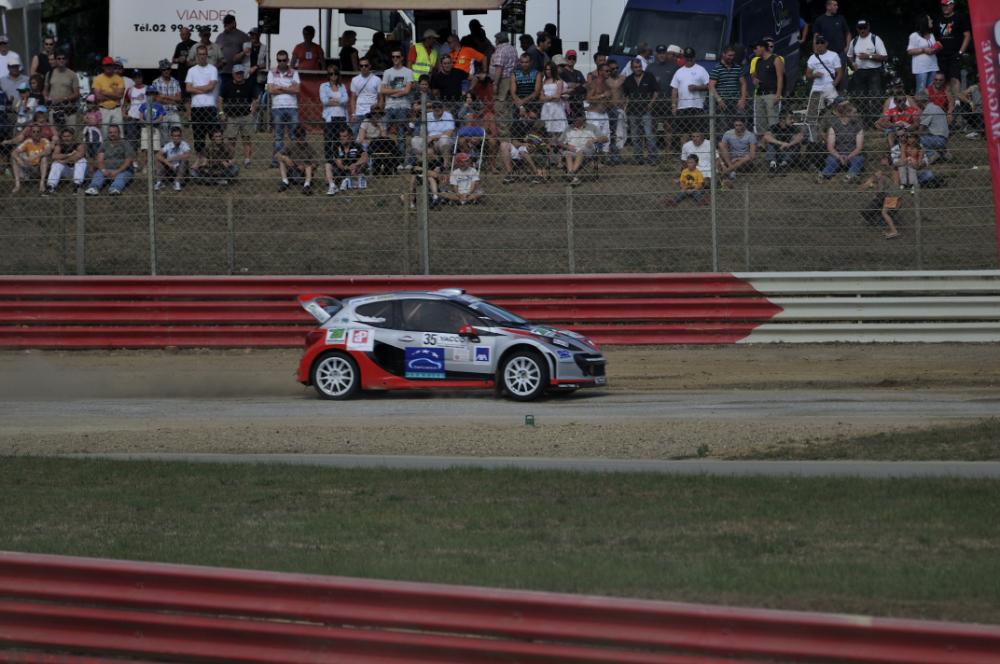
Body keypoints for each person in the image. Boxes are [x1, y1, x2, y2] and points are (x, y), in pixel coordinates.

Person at [847, 20, 887, 124]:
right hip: (859, 72)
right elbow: (849, 55)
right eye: (860, 28)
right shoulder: (855, 41)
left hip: (873, 71)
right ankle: (865, 121)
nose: (863, 30)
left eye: (864, 28)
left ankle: (875, 121)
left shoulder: (875, 39)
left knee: (875, 96)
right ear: (857, 29)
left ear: (868, 27)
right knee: (862, 98)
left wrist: (868, 56)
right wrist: (853, 65)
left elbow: (884, 57)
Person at [804, 35, 842, 142]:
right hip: (816, 88)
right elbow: (807, 76)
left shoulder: (833, 55)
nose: (819, 44)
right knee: (813, 115)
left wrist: (833, 86)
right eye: (817, 42)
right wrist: (814, 74)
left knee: (840, 109)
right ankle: (814, 138)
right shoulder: (812, 58)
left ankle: (842, 132)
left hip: (829, 86)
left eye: (822, 42)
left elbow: (840, 73)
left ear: (826, 43)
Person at [218, 64, 257, 167]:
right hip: (232, 116)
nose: (239, 76)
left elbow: (254, 99)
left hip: (245, 115)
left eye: (240, 73)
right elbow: (220, 99)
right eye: (237, 73)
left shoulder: (248, 85)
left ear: (243, 74)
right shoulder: (228, 85)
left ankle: (247, 161)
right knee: (231, 139)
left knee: (246, 139)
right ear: (233, 74)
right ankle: (231, 160)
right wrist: (222, 113)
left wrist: (252, 112)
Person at [267, 49, 300, 167]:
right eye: (279, 60)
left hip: (292, 107)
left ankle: (296, 159)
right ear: (277, 60)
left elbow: (297, 90)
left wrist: (279, 88)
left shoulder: (294, 72)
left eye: (284, 60)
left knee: (294, 136)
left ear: (287, 60)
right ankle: (277, 161)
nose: (282, 62)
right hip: (277, 107)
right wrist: (288, 88)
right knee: (278, 136)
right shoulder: (271, 73)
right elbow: (270, 90)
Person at [555, 113, 608, 185]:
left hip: (587, 150)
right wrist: (568, 147)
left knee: (581, 151)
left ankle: (571, 174)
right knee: (567, 154)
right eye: (573, 120)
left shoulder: (591, 127)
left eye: (576, 119)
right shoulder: (568, 128)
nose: (574, 121)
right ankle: (574, 177)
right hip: (573, 150)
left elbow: (605, 139)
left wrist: (594, 140)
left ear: (582, 119)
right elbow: (559, 142)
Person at [381, 48, 413, 168]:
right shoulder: (387, 72)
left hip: (403, 106)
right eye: (393, 56)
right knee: (384, 132)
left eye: (397, 56)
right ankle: (383, 158)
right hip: (389, 106)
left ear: (402, 58)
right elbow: (383, 90)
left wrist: (391, 92)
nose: (395, 59)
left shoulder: (408, 72)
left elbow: (407, 91)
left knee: (401, 135)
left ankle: (399, 161)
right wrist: (399, 90)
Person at [670, 47, 709, 144]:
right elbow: (674, 89)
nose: (689, 59)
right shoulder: (679, 71)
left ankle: (697, 154)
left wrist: (697, 88)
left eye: (691, 57)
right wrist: (674, 106)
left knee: (697, 133)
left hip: (697, 106)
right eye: (687, 57)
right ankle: (684, 156)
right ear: (683, 57)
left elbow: (709, 86)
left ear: (695, 57)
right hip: (682, 107)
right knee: (684, 133)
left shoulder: (701, 70)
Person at [624, 58, 659, 165]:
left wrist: (650, 104)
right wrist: (626, 106)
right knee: (635, 136)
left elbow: (656, 91)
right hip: (632, 111)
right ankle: (638, 158)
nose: (638, 69)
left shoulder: (649, 76)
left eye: (640, 67)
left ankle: (654, 158)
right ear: (631, 68)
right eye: (636, 67)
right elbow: (627, 95)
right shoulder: (628, 80)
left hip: (646, 110)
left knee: (649, 135)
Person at [186, 45, 220, 155]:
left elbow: (211, 87)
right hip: (196, 107)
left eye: (204, 54)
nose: (202, 57)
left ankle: (217, 159)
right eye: (200, 54)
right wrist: (204, 89)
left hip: (210, 106)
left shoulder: (212, 69)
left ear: (207, 55)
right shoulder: (191, 71)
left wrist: (195, 87)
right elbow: (188, 88)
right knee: (198, 138)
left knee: (215, 136)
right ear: (196, 55)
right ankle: (200, 161)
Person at [819, 102, 865, 182]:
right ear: (847, 113)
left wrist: (849, 157)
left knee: (859, 159)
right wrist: (838, 157)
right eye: (854, 113)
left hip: (852, 154)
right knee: (831, 160)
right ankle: (824, 175)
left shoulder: (858, 125)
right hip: (838, 153)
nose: (856, 115)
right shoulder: (834, 126)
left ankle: (850, 176)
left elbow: (859, 147)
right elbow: (830, 147)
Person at [84, 124, 133, 196]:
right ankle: (94, 188)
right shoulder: (104, 144)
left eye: (115, 132)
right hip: (106, 169)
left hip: (122, 170)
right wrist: (104, 170)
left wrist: (117, 171)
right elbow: (100, 160)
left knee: (121, 177)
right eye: (110, 132)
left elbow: (128, 162)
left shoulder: (125, 144)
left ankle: (115, 189)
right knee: (98, 174)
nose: (112, 134)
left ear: (119, 133)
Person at [813, 0, 851, 92]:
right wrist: (816, 53)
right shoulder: (820, 20)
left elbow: (848, 34)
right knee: (826, 76)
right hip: (825, 53)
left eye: (837, 5)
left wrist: (846, 48)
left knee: (841, 77)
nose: (837, 7)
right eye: (835, 5)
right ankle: (826, 101)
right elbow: (815, 37)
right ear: (828, 7)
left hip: (840, 53)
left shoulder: (840, 18)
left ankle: (840, 101)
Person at [936, 0, 971, 97]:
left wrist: (960, 52)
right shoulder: (938, 20)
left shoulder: (959, 18)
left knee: (954, 78)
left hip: (955, 54)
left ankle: (957, 103)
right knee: (944, 80)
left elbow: (967, 35)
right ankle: (948, 104)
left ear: (952, 5)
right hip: (941, 56)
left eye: (947, 5)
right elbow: (934, 38)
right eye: (943, 5)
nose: (945, 7)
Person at [709, 45, 746, 132]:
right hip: (723, 101)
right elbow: (711, 85)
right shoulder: (717, 68)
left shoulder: (737, 68)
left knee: (741, 124)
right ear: (723, 54)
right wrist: (719, 100)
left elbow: (743, 83)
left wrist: (743, 98)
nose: (731, 57)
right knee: (723, 127)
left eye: (733, 55)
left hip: (735, 100)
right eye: (729, 55)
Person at [750, 39, 783, 136]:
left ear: (762, 48)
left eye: (756, 48)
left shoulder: (776, 59)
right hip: (760, 94)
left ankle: (774, 143)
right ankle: (763, 145)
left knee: (773, 121)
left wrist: (777, 94)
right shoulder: (758, 61)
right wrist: (754, 79)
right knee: (760, 123)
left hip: (771, 93)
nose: (754, 51)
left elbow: (780, 78)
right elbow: (754, 75)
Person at [857, 169, 901, 239]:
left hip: (892, 195)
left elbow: (880, 191)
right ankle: (890, 230)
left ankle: (894, 231)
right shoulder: (885, 179)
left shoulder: (882, 178)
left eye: (878, 174)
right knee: (885, 212)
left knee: (884, 212)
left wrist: (874, 187)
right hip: (897, 194)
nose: (877, 175)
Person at [319, 64, 348, 165]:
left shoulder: (342, 86)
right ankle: (328, 160)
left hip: (341, 116)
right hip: (329, 117)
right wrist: (339, 100)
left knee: (339, 139)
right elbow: (324, 101)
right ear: (328, 75)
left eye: (335, 73)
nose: (333, 75)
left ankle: (338, 159)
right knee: (328, 139)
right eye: (331, 73)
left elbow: (346, 100)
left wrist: (332, 100)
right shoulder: (323, 86)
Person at [324, 127, 367, 195]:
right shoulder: (337, 146)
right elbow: (339, 164)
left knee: (364, 163)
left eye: (344, 136)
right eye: (340, 136)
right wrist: (348, 167)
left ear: (350, 137)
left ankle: (348, 179)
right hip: (341, 171)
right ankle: (332, 186)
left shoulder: (356, 145)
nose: (341, 138)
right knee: (327, 165)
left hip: (354, 171)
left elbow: (365, 156)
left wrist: (355, 165)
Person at [276, 125, 318, 193]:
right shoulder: (291, 145)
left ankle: (306, 186)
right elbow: (277, 155)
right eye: (299, 137)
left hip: (304, 172)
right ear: (295, 137)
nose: (301, 138)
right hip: (293, 170)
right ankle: (285, 182)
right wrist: (286, 158)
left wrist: (305, 166)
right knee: (282, 162)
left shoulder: (309, 148)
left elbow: (315, 164)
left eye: (302, 136)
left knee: (309, 168)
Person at [411, 99, 454, 164]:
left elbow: (448, 134)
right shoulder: (427, 116)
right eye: (434, 107)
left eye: (439, 107)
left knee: (444, 139)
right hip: (429, 140)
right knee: (414, 140)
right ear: (431, 108)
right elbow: (421, 133)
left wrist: (433, 138)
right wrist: (428, 143)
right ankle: (422, 163)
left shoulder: (448, 116)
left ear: (443, 107)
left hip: (442, 140)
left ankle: (445, 165)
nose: (437, 109)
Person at [44, 127, 85, 195]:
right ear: (62, 138)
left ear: (73, 136)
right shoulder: (60, 145)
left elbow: (78, 156)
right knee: (56, 163)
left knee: (81, 160)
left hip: (81, 172)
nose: (66, 138)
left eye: (69, 136)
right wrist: (69, 154)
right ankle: (50, 186)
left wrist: (64, 160)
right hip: (67, 172)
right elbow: (54, 156)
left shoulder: (79, 145)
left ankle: (77, 186)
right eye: (64, 136)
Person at [42, 51, 79, 128]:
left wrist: (64, 98)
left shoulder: (72, 75)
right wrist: (46, 97)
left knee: (70, 135)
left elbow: (77, 94)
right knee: (55, 136)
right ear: (55, 60)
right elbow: (45, 90)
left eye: (63, 58)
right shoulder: (49, 74)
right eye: (59, 58)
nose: (61, 60)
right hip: (54, 109)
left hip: (68, 110)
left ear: (66, 60)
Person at [10, 123, 50, 193]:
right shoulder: (27, 142)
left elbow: (48, 151)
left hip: (39, 169)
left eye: (38, 132)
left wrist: (34, 156)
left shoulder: (44, 141)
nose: (36, 133)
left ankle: (42, 183)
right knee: (15, 158)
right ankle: (17, 184)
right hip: (29, 168)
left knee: (44, 158)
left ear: (41, 133)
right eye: (34, 132)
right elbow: (14, 152)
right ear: (30, 133)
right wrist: (19, 160)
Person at [509, 53, 541, 138]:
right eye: (522, 62)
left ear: (531, 62)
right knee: (517, 126)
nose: (524, 64)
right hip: (518, 102)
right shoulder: (515, 75)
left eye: (526, 62)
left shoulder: (537, 74)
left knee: (535, 125)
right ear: (519, 62)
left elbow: (536, 92)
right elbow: (513, 93)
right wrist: (521, 106)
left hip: (533, 102)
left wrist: (523, 101)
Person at [763, 110, 804, 175]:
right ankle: (773, 165)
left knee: (795, 139)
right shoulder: (775, 127)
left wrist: (788, 145)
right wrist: (781, 143)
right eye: (790, 119)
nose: (793, 121)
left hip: (788, 153)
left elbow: (801, 137)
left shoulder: (793, 127)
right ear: (783, 120)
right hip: (777, 152)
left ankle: (783, 165)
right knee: (770, 138)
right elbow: (766, 136)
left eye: (793, 119)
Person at [717, 117, 756, 185]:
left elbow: (752, 155)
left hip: (743, 160)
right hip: (730, 159)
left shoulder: (750, 135)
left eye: (740, 125)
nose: (738, 127)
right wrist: (723, 163)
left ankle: (727, 171)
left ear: (744, 124)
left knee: (748, 158)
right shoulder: (728, 133)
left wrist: (737, 159)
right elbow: (720, 150)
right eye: (736, 125)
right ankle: (732, 169)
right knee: (720, 144)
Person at [914, 90, 950, 164]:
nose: (917, 105)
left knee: (915, 141)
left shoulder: (927, 110)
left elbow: (921, 128)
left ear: (920, 102)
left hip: (937, 139)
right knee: (922, 138)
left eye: (917, 102)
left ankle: (932, 154)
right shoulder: (936, 107)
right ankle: (944, 153)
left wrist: (915, 138)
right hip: (943, 139)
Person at [91, 56, 124, 136]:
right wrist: (114, 95)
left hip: (116, 108)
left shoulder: (119, 79)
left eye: (110, 65)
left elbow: (120, 96)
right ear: (103, 67)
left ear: (113, 66)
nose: (109, 67)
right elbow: (98, 97)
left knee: (119, 132)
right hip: (103, 109)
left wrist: (105, 93)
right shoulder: (98, 79)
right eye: (106, 65)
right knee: (105, 133)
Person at [349, 57, 381, 137]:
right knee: (353, 135)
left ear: (369, 66)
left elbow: (381, 98)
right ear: (359, 67)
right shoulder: (355, 80)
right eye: (361, 66)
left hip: (372, 113)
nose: (363, 67)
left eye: (365, 65)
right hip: (359, 113)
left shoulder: (377, 80)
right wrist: (353, 114)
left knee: (372, 136)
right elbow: (353, 98)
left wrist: (378, 113)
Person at [135, 86, 165, 170]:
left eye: (153, 93)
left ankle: (155, 166)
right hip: (145, 128)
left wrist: (152, 124)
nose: (151, 95)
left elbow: (161, 118)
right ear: (146, 95)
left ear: (155, 95)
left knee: (156, 148)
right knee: (145, 148)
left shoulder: (158, 105)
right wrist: (148, 125)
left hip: (155, 129)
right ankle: (145, 166)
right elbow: (141, 118)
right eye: (149, 94)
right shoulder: (143, 105)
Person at [907, 14, 938, 95]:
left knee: (931, 89)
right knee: (921, 89)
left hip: (933, 65)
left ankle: (929, 107)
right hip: (921, 67)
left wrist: (935, 49)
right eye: (929, 20)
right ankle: (918, 107)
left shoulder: (931, 35)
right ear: (924, 22)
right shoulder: (914, 35)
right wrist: (923, 50)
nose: (932, 21)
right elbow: (910, 51)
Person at [154, 126, 190, 192]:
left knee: (185, 161)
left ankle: (177, 182)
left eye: (178, 136)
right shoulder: (169, 145)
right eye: (174, 136)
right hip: (170, 169)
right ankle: (158, 182)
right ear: (171, 136)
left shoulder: (184, 145)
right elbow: (158, 154)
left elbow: (187, 154)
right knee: (160, 160)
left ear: (181, 136)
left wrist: (173, 158)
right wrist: (166, 162)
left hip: (180, 169)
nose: (176, 138)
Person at [153, 60, 182, 142]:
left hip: (174, 112)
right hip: (162, 113)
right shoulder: (155, 82)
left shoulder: (175, 82)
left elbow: (179, 99)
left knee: (177, 134)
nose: (166, 71)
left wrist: (164, 96)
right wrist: (172, 100)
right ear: (161, 70)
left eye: (168, 69)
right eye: (164, 69)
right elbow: (157, 99)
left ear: (171, 69)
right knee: (163, 137)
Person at [490, 32, 517, 113]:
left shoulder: (500, 50)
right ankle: (508, 124)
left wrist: (495, 83)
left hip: (503, 81)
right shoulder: (513, 49)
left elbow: (499, 67)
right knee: (509, 104)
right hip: (512, 79)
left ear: (497, 40)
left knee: (500, 104)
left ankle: (502, 125)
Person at [539, 61, 567, 138]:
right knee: (547, 130)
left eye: (550, 69)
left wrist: (546, 98)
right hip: (546, 108)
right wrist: (551, 97)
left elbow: (557, 98)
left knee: (558, 130)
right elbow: (541, 98)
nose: (548, 71)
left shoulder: (559, 81)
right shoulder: (543, 82)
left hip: (556, 108)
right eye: (547, 69)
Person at [122, 69, 147, 151]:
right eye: (135, 77)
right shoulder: (130, 90)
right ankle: (134, 161)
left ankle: (145, 162)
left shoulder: (147, 89)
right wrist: (124, 114)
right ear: (132, 79)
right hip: (132, 117)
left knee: (145, 142)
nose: (137, 79)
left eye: (139, 77)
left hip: (144, 118)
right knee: (132, 142)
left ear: (142, 77)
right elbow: (126, 103)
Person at [172, 26, 196, 106]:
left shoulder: (195, 45)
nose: (184, 36)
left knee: (192, 95)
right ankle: (184, 112)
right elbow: (173, 59)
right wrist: (178, 60)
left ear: (190, 34)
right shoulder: (179, 46)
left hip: (193, 75)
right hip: (181, 75)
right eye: (182, 34)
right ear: (180, 35)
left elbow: (200, 59)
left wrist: (192, 63)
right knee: (183, 96)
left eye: (186, 34)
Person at [247, 27, 268, 98]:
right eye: (251, 34)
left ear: (259, 35)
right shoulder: (245, 46)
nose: (252, 36)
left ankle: (257, 109)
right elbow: (235, 59)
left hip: (259, 78)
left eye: (254, 34)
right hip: (246, 78)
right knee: (246, 99)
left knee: (257, 99)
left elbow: (267, 63)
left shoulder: (265, 48)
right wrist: (242, 53)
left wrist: (256, 67)